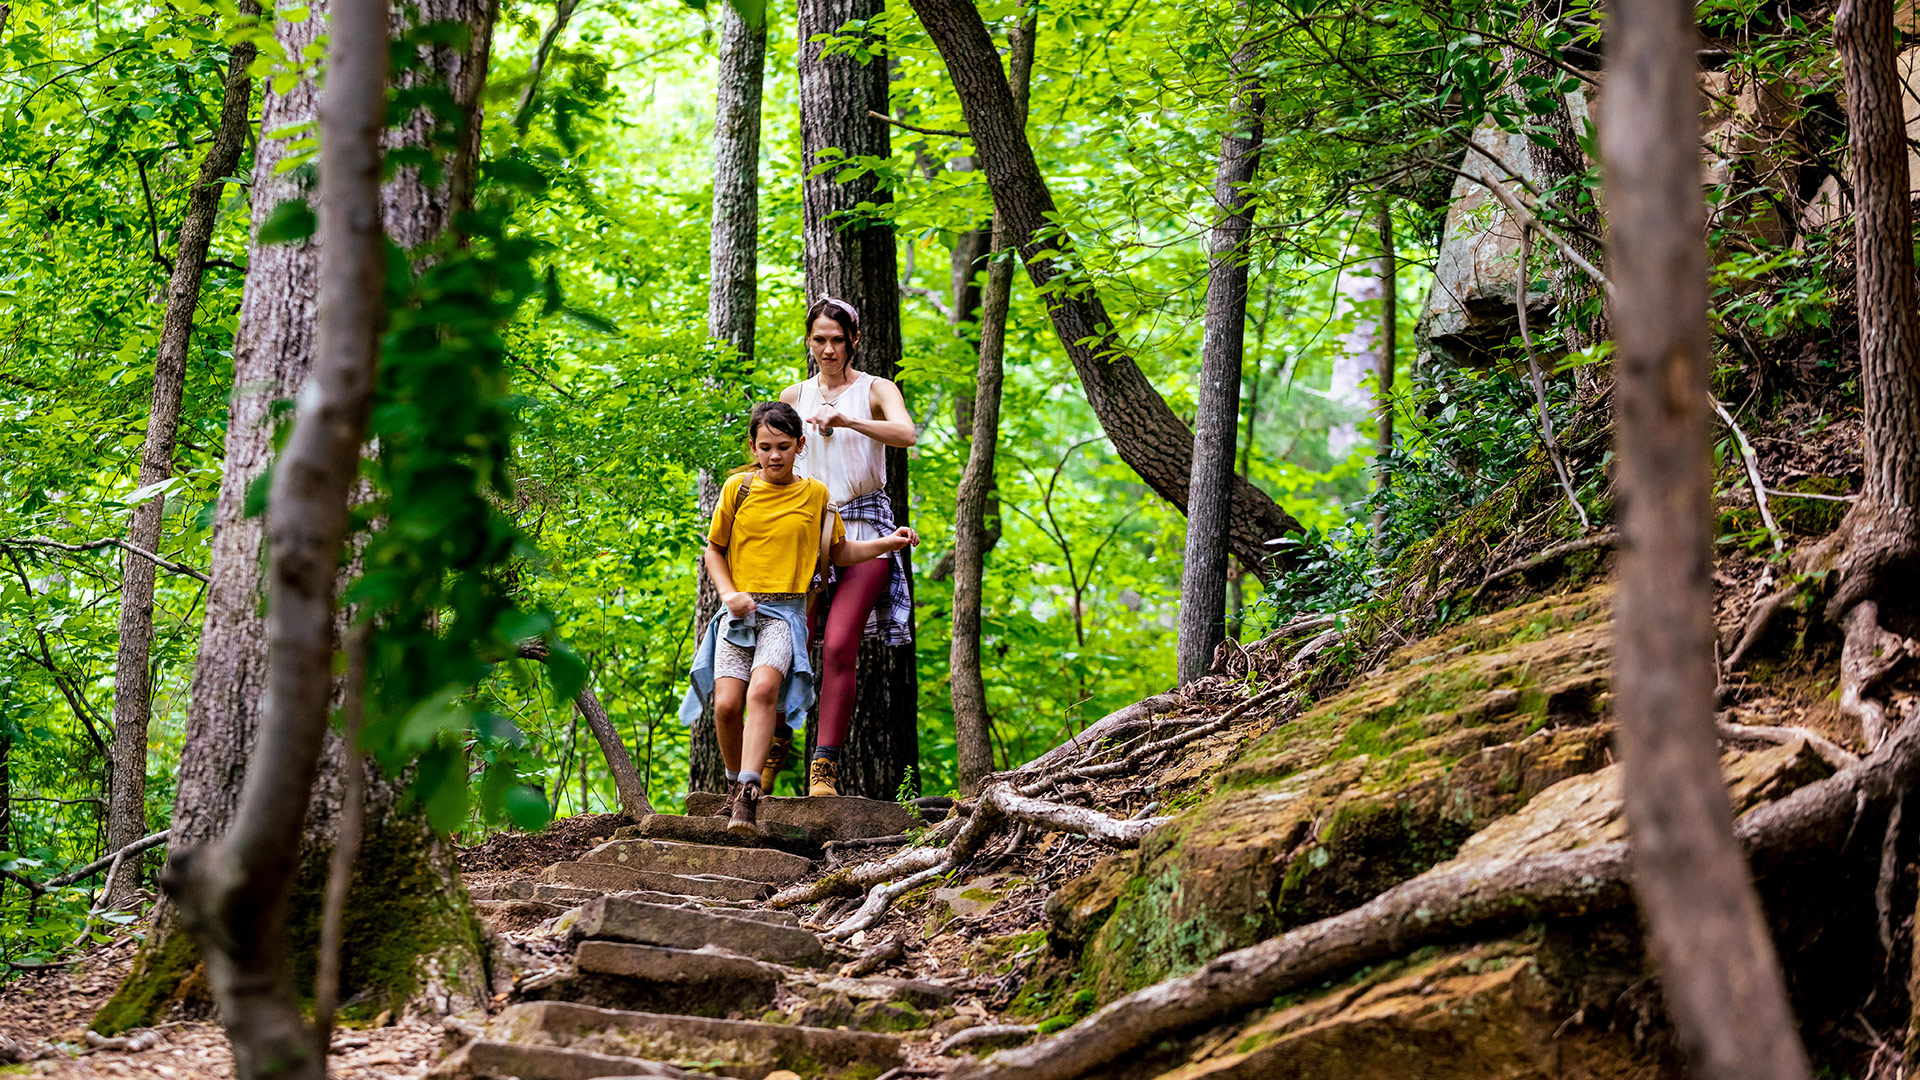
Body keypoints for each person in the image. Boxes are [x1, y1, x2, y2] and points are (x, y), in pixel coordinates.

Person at [679, 401, 918, 834]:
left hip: (786, 614)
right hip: (738, 614)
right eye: (765, 447)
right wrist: (729, 594)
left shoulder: (815, 496)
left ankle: (748, 798)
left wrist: (888, 543)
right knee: (728, 706)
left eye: (784, 447)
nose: (774, 456)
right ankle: (735, 785)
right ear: (753, 446)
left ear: (800, 446)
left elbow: (840, 552)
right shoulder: (738, 489)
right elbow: (714, 550)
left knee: (764, 689)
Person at [776, 296, 918, 798]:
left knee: (838, 646)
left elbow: (906, 433)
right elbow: (770, 453)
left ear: (854, 340)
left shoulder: (876, 389)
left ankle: (824, 769)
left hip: (865, 528)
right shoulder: (795, 395)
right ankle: (772, 749)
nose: (828, 349)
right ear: (809, 341)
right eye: (819, 340)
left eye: (838, 339)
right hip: (807, 531)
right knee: (789, 644)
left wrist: (850, 422)